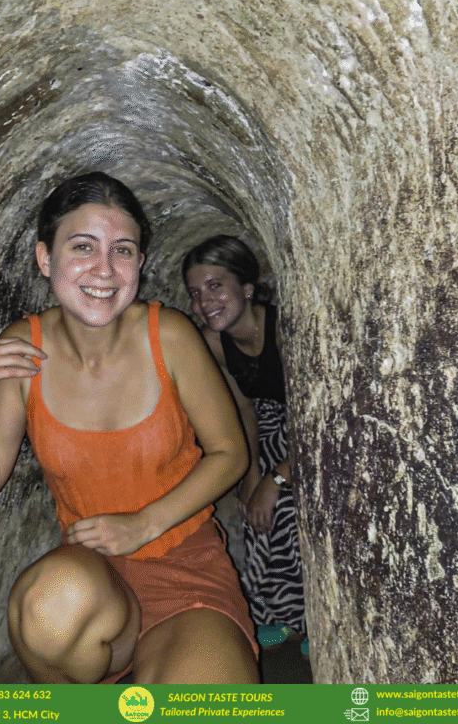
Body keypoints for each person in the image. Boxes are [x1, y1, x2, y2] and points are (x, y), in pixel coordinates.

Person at [0, 173, 259, 684]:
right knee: (49, 602)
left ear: (140, 262)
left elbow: (231, 453)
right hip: (95, 576)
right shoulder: (25, 347)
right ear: (45, 258)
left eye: (123, 250)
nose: (105, 269)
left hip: (186, 568)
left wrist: (144, 523)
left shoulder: (169, 335)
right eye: (83, 247)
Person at [183, 235, 306, 650]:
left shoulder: (283, 328)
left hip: (312, 426)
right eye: (195, 293)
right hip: (268, 422)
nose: (205, 302)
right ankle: (277, 611)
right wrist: (251, 475)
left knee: (286, 504)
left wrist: (276, 479)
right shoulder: (214, 342)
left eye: (216, 286)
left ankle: (312, 615)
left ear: (247, 287)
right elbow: (243, 409)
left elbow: (318, 418)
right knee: (251, 502)